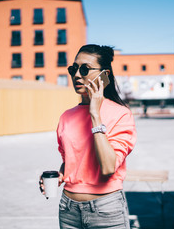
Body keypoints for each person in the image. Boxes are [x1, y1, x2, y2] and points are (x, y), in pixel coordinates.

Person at [39, 44, 137, 228]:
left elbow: (108, 167)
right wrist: (60, 175)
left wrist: (95, 114)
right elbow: (71, 161)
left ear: (104, 74)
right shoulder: (66, 117)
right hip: (68, 210)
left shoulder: (121, 114)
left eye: (85, 69)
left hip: (106, 209)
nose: (76, 75)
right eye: (73, 69)